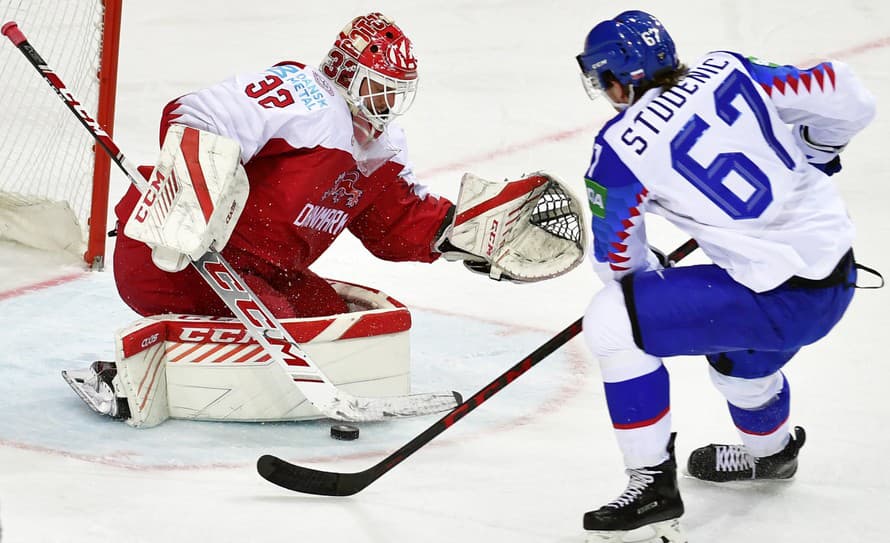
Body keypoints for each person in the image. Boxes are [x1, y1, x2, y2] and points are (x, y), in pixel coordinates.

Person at [62, 11, 587, 425]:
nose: (388, 104)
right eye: (381, 87)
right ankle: (127, 376)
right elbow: (196, 114)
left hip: (260, 269)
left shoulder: (380, 147)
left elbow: (394, 222)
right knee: (290, 331)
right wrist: (191, 195)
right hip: (174, 253)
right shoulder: (305, 98)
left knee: (332, 317)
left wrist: (457, 234)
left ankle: (210, 354)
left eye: (397, 92)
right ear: (345, 72)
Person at [575, 9, 877, 542]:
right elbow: (848, 94)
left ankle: (651, 489)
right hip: (836, 279)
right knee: (738, 364)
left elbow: (617, 262)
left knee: (611, 321)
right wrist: (819, 150)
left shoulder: (619, 148)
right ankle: (772, 454)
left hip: (776, 301)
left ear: (617, 79)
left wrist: (651, 275)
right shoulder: (729, 67)